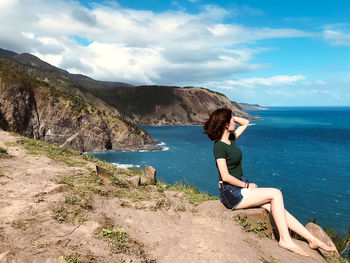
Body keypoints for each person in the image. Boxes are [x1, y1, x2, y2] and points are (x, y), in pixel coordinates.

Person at [203, 108, 337, 257]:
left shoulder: (231, 139)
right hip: (231, 193)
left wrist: (230, 116)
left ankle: (311, 239)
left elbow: (246, 122)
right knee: (275, 193)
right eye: (232, 120)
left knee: (275, 207)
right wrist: (247, 185)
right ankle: (285, 239)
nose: (235, 121)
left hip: (238, 189)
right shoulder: (219, 146)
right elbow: (225, 176)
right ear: (226, 125)